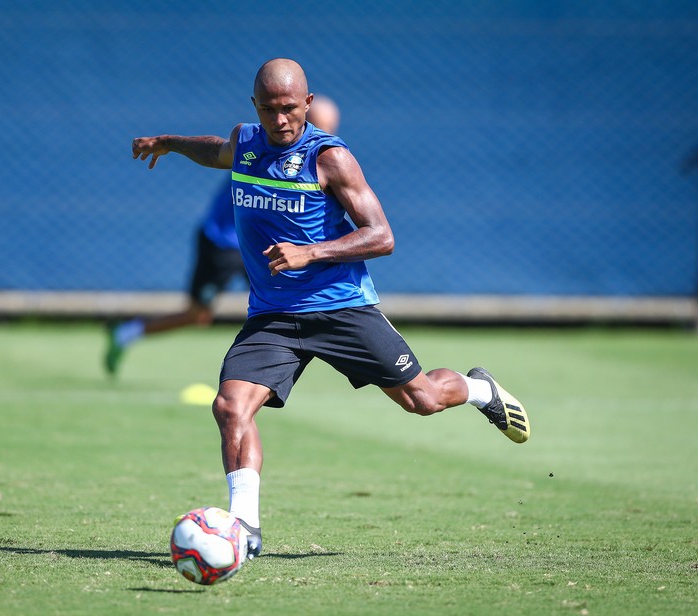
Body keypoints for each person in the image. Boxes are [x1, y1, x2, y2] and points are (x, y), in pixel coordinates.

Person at [131, 58, 530, 559]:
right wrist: (168, 143)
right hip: (274, 316)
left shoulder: (331, 158)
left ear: (309, 105)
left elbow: (382, 236)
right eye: (270, 110)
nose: (281, 120)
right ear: (255, 106)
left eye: (290, 109)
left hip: (342, 308)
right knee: (230, 406)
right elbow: (216, 152)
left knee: (422, 400)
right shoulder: (247, 143)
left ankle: (477, 388)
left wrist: (309, 252)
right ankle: (244, 528)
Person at [105, 97, 341, 376]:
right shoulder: (262, 150)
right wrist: (169, 143)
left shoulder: (319, 157)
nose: (323, 137)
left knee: (292, 302)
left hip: (265, 246)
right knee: (199, 315)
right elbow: (217, 151)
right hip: (226, 243)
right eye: (319, 127)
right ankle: (126, 333)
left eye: (330, 130)